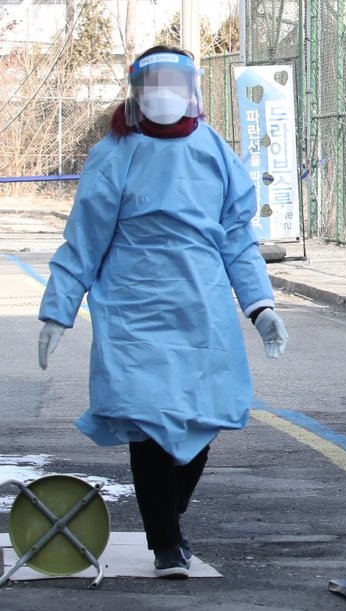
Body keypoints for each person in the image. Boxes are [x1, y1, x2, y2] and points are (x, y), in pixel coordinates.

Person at [36, 46, 288, 579]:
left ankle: (164, 513)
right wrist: (58, 308)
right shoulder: (116, 152)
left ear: (193, 87)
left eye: (175, 80)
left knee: (205, 417)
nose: (164, 91)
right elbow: (83, 241)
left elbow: (238, 239)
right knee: (149, 421)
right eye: (154, 81)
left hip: (202, 308)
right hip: (135, 308)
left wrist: (260, 305)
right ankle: (167, 544)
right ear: (136, 88)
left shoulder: (213, 151)